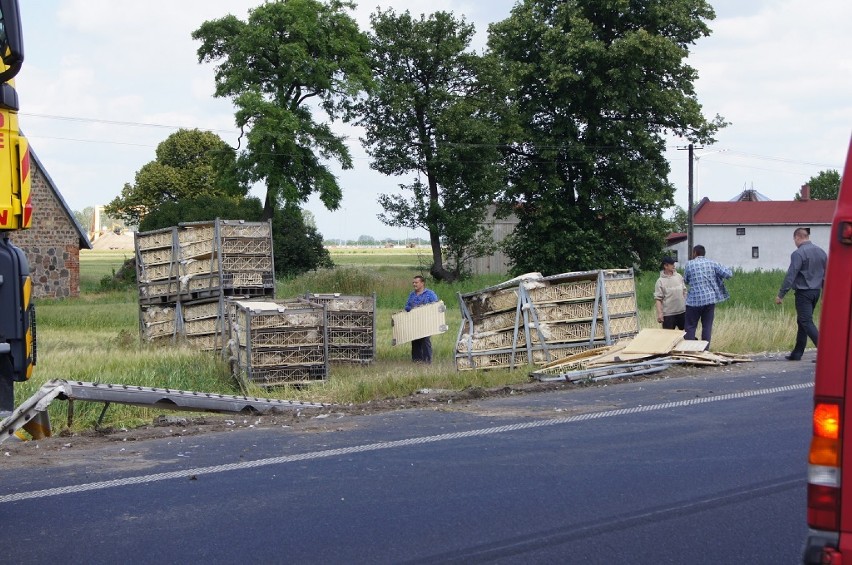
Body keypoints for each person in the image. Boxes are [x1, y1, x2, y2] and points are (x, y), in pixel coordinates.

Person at [775, 227, 827, 361]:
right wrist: (824, 295)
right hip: (816, 292)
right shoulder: (821, 252)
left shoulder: (798, 253)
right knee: (802, 321)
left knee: (806, 321)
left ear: (797, 237)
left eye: (794, 240)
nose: (795, 242)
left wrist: (781, 294)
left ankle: (824, 351)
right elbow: (826, 276)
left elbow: (791, 275)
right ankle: (797, 353)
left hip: (803, 292)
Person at [683, 245, 732, 348]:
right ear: (704, 253)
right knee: (707, 326)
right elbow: (728, 274)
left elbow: (686, 280)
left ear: (695, 253)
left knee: (690, 326)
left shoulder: (689, 264)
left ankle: (689, 350)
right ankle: (705, 350)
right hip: (709, 299)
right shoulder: (712, 263)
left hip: (693, 301)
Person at [404, 275, 439, 363]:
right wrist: (408, 308)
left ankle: (427, 361)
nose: (414, 284)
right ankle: (416, 361)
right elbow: (407, 306)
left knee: (425, 340)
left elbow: (436, 305)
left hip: (426, 321)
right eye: (413, 283)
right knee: (415, 341)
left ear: (422, 283)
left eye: (416, 282)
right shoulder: (412, 294)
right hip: (414, 321)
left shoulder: (430, 294)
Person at [654, 256, 686, 330]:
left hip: (682, 312)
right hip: (668, 314)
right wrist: (660, 314)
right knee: (668, 337)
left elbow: (684, 292)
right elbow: (658, 299)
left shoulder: (679, 276)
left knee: (686, 335)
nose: (674, 266)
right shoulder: (660, 281)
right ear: (665, 266)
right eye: (671, 264)